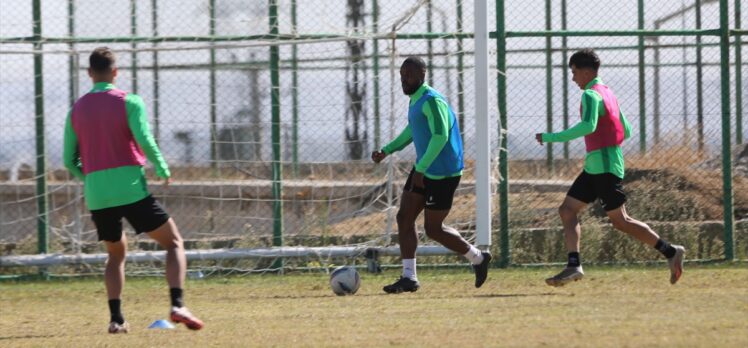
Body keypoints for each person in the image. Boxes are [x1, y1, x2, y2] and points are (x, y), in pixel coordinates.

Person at [63, 47, 204, 333]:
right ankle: (177, 305)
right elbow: (144, 139)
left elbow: (69, 159)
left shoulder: (76, 109)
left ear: (89, 74)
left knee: (115, 255)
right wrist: (162, 167)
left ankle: (116, 319)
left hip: (98, 194)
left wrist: (89, 177)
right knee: (174, 243)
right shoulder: (130, 101)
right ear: (115, 72)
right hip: (130, 189)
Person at [535, 49, 685, 287]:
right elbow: (626, 130)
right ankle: (574, 265)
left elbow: (588, 126)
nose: (573, 78)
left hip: (603, 167)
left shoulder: (590, 95)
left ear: (586, 71)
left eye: (574, 73)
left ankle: (670, 251)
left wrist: (550, 137)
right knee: (567, 210)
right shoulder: (608, 94)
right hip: (598, 166)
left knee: (621, 221)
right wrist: (607, 145)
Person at [371, 56, 491, 294]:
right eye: (402, 75)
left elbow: (440, 136)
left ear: (422, 75)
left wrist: (422, 169)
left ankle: (478, 258)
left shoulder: (432, 100)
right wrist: (387, 150)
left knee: (433, 229)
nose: (405, 79)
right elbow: (412, 131)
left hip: (443, 173)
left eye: (410, 75)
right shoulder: (415, 100)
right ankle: (409, 277)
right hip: (425, 168)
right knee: (404, 218)